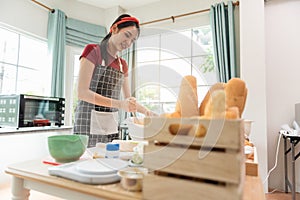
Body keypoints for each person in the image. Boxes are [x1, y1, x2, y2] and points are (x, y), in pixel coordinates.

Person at [73, 14, 154, 147]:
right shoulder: (93, 51)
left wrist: (147, 112)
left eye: (132, 40)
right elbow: (82, 93)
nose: (128, 43)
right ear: (114, 28)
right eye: (127, 35)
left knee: (110, 161)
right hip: (86, 123)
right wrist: (120, 104)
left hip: (110, 125)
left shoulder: (123, 64)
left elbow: (128, 100)